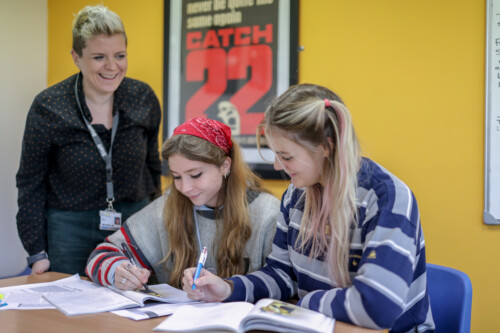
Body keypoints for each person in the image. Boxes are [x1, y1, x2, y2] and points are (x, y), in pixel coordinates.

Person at [181, 84, 435, 332]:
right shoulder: (296, 193)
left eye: (287, 156)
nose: (279, 166)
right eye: (275, 154)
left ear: (327, 146)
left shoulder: (387, 198)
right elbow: (282, 275)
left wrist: (307, 302)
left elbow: (377, 307)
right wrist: (227, 288)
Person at [16, 5, 162, 276]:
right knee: (70, 309)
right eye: (98, 57)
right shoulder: (48, 106)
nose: (111, 67)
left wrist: (159, 231)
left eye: (120, 55)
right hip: (69, 228)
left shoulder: (143, 98)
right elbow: (30, 184)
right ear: (76, 57)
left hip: (134, 224)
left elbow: (153, 169)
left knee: (133, 306)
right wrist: (37, 253)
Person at [86, 117, 280, 290]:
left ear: (225, 166)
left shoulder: (267, 213)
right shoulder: (167, 207)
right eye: (176, 176)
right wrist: (117, 271)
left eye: (195, 175)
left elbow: (284, 282)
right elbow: (100, 255)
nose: (185, 188)